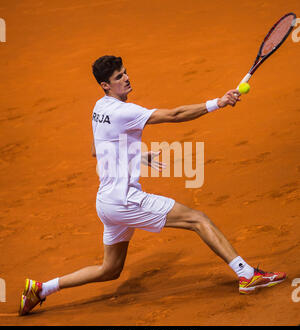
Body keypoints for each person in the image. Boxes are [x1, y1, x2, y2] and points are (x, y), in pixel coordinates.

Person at [19, 55, 286, 316]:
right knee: (197, 219)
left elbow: (95, 149)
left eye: (125, 72)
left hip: (106, 203)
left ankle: (41, 289)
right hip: (126, 200)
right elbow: (175, 114)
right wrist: (219, 102)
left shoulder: (98, 108)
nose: (126, 78)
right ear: (105, 85)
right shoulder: (126, 111)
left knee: (110, 270)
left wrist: (135, 153)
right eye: (118, 77)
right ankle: (246, 275)